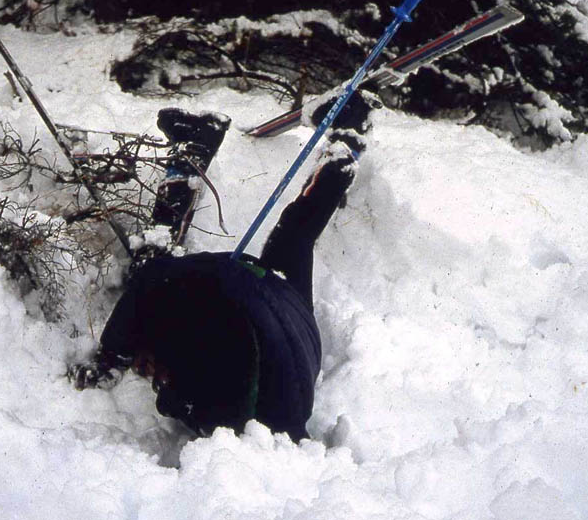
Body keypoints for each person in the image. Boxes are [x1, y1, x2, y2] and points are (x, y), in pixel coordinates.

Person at [69, 94, 373, 442]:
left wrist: (112, 357)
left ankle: (347, 134)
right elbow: (160, 283)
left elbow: (175, 399)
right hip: (269, 310)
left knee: (294, 234)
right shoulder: (190, 338)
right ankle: (195, 152)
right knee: (290, 234)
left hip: (289, 329)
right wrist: (117, 352)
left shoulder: (227, 403)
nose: (149, 374)